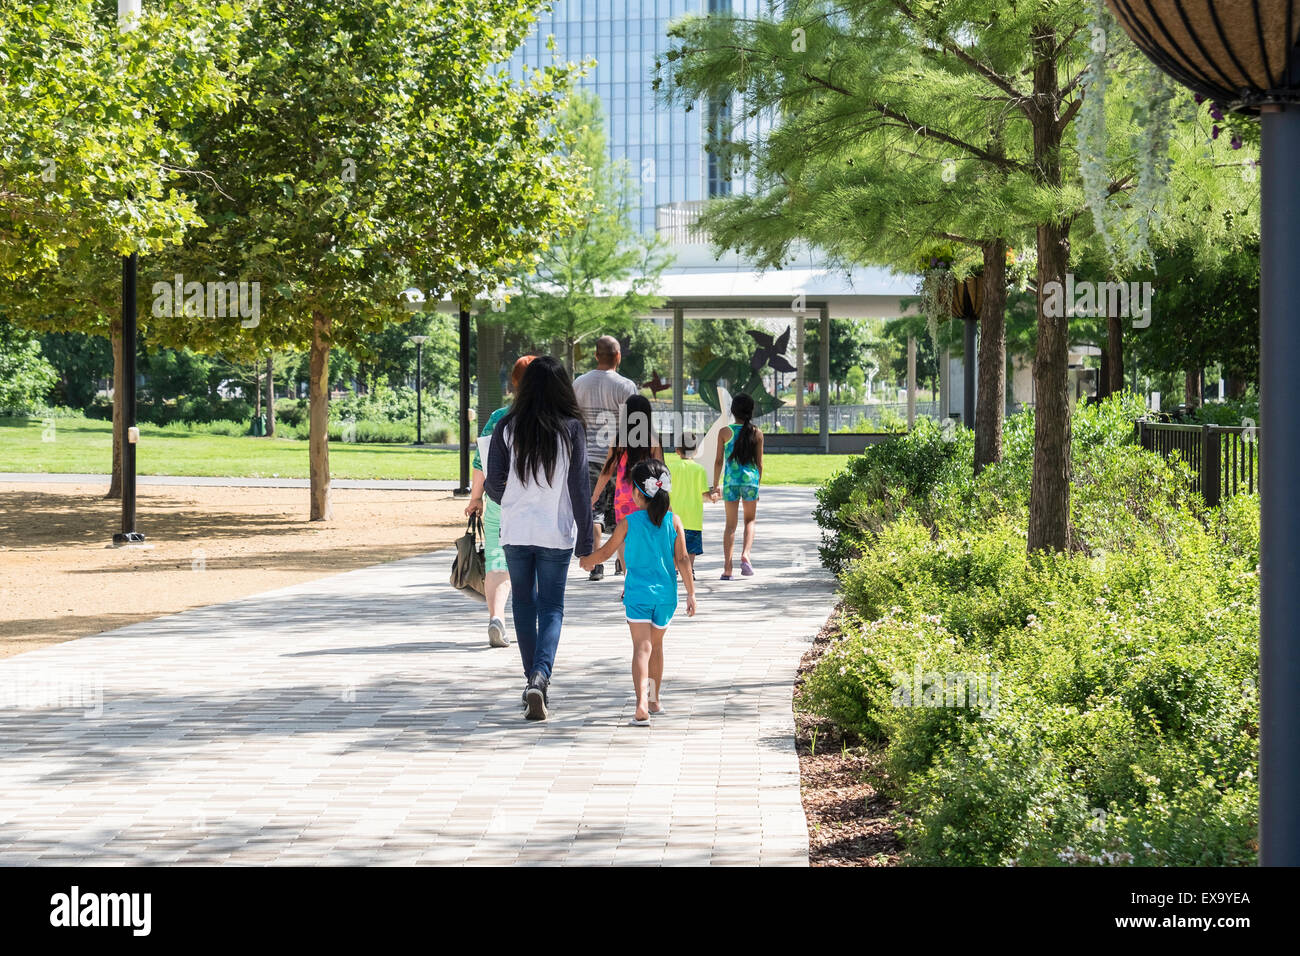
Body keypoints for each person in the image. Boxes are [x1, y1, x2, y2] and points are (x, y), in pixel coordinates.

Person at [485, 356, 593, 721]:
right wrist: (587, 540)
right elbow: (579, 488)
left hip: (515, 530)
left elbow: (492, 483)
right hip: (555, 531)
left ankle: (532, 679)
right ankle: (540, 677)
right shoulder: (572, 428)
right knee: (551, 607)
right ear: (564, 387)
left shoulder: (506, 426)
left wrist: (513, 500)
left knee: (524, 605)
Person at [580, 459, 696, 725]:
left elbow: (607, 553)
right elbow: (683, 559)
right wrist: (691, 592)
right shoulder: (674, 521)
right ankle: (655, 700)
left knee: (641, 648)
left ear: (636, 492)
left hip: (638, 595)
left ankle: (641, 703)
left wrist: (588, 561)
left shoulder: (628, 522)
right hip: (666, 597)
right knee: (656, 647)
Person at [465, 355, 536, 648]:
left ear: (513, 384)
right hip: (535, 505)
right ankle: (532, 625)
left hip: (498, 501)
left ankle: (497, 619)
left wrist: (475, 498)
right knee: (534, 564)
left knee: (497, 562)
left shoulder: (498, 418)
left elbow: (481, 461)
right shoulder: (551, 420)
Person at [572, 335, 637, 581]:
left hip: (587, 457)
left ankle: (596, 564)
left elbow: (574, 419)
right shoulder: (626, 386)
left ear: (596, 355)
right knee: (623, 513)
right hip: (620, 459)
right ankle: (621, 563)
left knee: (594, 512)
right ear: (618, 356)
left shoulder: (579, 384)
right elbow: (633, 425)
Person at [589, 394, 663, 533]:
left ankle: (622, 557)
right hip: (647, 498)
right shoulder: (653, 441)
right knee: (644, 539)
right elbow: (661, 472)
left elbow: (607, 471)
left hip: (623, 499)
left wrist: (595, 496)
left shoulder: (619, 441)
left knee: (624, 540)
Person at [711, 393, 763, 580]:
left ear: (733, 411)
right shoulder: (756, 433)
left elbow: (718, 461)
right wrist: (757, 484)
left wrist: (715, 485)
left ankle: (727, 568)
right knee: (750, 520)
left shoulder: (725, 432)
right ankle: (746, 555)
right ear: (751, 411)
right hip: (750, 481)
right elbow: (759, 463)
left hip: (731, 482)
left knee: (730, 526)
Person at [666, 442, 710, 578]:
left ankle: (674, 569)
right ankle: (689, 569)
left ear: (677, 451)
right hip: (693, 515)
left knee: (673, 544)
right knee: (691, 547)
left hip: (674, 514)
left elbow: (665, 491)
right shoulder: (699, 469)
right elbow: (704, 494)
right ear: (696, 451)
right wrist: (713, 495)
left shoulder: (670, 468)